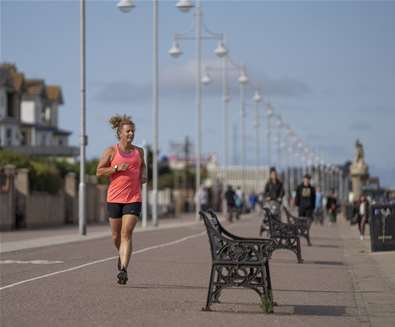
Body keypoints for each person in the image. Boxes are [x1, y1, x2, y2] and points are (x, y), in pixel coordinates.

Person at [96, 114, 147, 285]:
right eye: (128, 131)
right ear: (120, 133)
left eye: (133, 131)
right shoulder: (111, 151)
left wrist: (144, 174)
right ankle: (121, 255)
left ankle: (123, 269)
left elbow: (143, 165)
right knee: (115, 236)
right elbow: (99, 171)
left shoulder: (139, 151)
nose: (131, 134)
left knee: (127, 234)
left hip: (133, 198)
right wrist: (116, 168)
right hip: (114, 198)